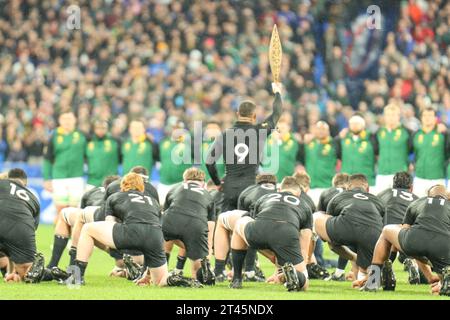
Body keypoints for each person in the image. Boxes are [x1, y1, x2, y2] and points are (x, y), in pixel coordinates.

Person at [70, 172, 201, 288]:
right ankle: (173, 279)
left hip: (131, 232)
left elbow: (109, 224)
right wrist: (147, 273)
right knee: (160, 280)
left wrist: (115, 250)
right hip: (155, 237)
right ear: (142, 187)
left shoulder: (115, 197)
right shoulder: (153, 202)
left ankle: (77, 276)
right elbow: (158, 227)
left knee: (87, 229)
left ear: (123, 185)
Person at [206, 82, 283, 212]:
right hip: (251, 188)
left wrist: (218, 183)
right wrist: (277, 92)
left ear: (237, 113)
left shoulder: (225, 135)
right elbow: (277, 113)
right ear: (254, 116)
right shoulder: (260, 131)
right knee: (246, 225)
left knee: (225, 226)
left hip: (229, 187)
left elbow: (209, 162)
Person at [361, 185, 450, 296]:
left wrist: (392, 256)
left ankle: (373, 280)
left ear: (428, 196)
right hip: (443, 247)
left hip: (415, 240)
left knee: (386, 231)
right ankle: (443, 282)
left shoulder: (417, 202)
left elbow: (404, 229)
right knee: (444, 267)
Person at [228, 176, 312, 291]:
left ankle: (237, 278)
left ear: (279, 190)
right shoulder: (305, 205)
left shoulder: (266, 197)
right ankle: (293, 276)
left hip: (261, 228)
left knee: (239, 225)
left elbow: (255, 221)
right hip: (287, 232)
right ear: (298, 193)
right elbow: (305, 242)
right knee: (304, 284)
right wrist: (302, 267)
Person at [314, 174, 385, 287]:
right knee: (365, 265)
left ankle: (312, 263)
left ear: (348, 187)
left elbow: (328, 219)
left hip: (344, 228)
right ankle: (370, 276)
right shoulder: (378, 201)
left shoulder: (339, 197)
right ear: (367, 189)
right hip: (372, 233)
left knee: (317, 217)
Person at [45, 175, 120, 270]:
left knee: (66, 215)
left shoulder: (91, 192)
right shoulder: (123, 195)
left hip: (94, 216)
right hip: (117, 233)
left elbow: (79, 219)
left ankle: (55, 265)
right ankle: (121, 261)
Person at [213, 174, 277, 282]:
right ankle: (255, 271)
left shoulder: (249, 191)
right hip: (278, 232)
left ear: (257, 183)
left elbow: (241, 228)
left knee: (241, 227)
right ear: (274, 184)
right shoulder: (280, 191)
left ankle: (221, 271)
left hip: (254, 229)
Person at [162, 168, 215, 285]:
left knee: (162, 235)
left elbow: (164, 215)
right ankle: (196, 278)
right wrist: (207, 255)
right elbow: (210, 229)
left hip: (171, 222)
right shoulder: (208, 195)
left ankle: (159, 270)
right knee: (199, 270)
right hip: (196, 227)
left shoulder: (174, 189)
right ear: (203, 182)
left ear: (184, 180)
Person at [43, 112, 86, 220]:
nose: (67, 121)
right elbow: (47, 158)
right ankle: (59, 237)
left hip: (76, 177)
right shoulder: (54, 135)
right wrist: (47, 178)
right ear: (60, 121)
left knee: (75, 211)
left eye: (70, 118)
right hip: (59, 177)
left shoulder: (82, 135)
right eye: (64, 118)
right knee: (60, 211)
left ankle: (73, 237)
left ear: (75, 120)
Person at [377, 171, 418, 282]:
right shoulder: (417, 199)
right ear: (411, 187)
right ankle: (411, 261)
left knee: (387, 237)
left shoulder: (384, 193)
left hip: (386, 234)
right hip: (410, 238)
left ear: (393, 185)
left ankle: (382, 268)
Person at [0, 168, 40, 282]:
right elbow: (24, 235)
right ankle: (53, 273)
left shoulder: (2, 184)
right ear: (25, 184)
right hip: (19, 232)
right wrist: (16, 271)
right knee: (28, 273)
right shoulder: (33, 198)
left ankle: (6, 271)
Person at [373, 104, 413, 193]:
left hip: (401, 175)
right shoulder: (378, 132)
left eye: (393, 115)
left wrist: (411, 162)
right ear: (384, 116)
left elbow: (413, 150)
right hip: (382, 173)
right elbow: (375, 151)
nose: (391, 117)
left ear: (399, 116)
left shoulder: (407, 132)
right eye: (388, 115)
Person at [412, 108, 449, 197]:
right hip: (419, 177)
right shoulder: (416, 134)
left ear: (435, 118)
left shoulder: (443, 133)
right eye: (424, 115)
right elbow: (412, 152)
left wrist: (447, 131)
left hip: (437, 178)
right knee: (417, 206)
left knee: (438, 208)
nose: (427, 118)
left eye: (430, 115)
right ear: (421, 118)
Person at [299, 121, 338, 205]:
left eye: (323, 129)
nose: (320, 131)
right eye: (318, 129)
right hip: (311, 186)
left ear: (328, 132)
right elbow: (300, 158)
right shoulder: (308, 143)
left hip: (327, 186)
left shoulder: (334, 143)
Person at [336, 115, 376, 188]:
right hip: (347, 182)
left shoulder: (371, 137)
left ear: (363, 125)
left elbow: (377, 154)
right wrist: (338, 138)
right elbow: (337, 154)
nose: (354, 126)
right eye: (352, 124)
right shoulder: (343, 138)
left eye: (357, 123)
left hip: (366, 180)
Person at [158, 127, 192, 204]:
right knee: (161, 207)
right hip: (164, 183)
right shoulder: (163, 142)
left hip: (181, 183)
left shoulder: (190, 144)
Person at [85, 120, 120, 189]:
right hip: (92, 182)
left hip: (111, 183)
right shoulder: (88, 141)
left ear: (107, 129)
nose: (100, 130)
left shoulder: (116, 141)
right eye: (98, 128)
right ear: (94, 129)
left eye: (103, 128)